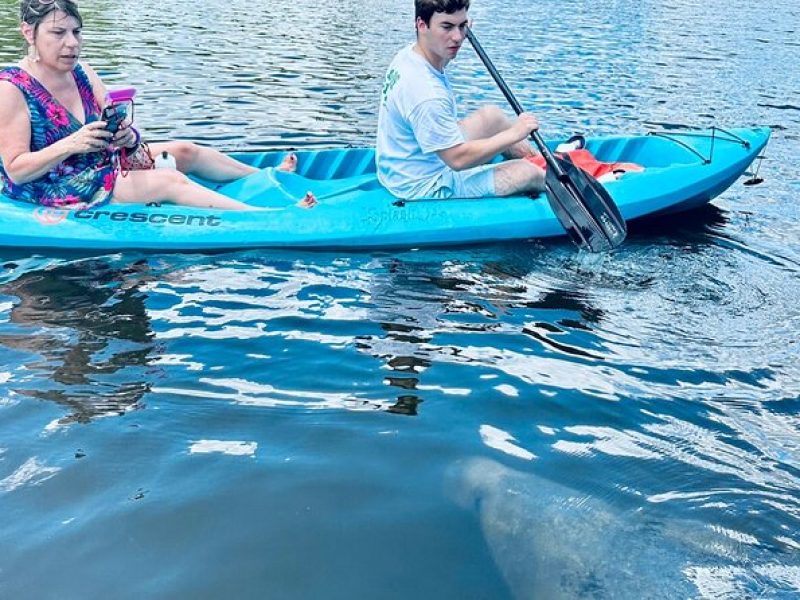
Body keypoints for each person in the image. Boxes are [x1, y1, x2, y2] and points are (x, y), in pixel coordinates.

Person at [0, 0, 294, 212]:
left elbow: (115, 121)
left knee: (185, 151)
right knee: (168, 180)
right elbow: (16, 170)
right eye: (58, 33)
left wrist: (127, 136)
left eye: (76, 32)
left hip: (99, 162)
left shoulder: (83, 72)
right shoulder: (12, 88)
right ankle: (264, 218)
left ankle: (268, 175)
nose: (72, 43)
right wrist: (71, 144)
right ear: (29, 33)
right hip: (52, 184)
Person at [376, 0, 545, 201]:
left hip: (404, 163)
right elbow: (457, 159)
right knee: (527, 173)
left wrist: (457, 27)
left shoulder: (412, 53)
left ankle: (544, 162)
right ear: (422, 25)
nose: (457, 37)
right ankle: (560, 180)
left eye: (462, 26)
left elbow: (448, 41)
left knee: (493, 118)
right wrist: (515, 133)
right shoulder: (426, 93)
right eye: (447, 27)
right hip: (422, 182)